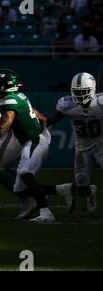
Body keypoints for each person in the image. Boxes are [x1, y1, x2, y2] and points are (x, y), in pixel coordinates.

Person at [0, 69, 56, 222]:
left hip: (32, 140)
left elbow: (2, 129)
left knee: (24, 174)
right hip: (34, 139)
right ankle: (62, 189)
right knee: (19, 186)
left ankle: (45, 211)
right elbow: (43, 119)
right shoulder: (19, 95)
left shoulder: (8, 101)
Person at [47, 72, 101, 213]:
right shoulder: (67, 105)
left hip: (101, 144)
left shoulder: (100, 103)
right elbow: (52, 119)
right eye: (77, 92)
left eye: (83, 91)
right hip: (82, 147)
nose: (80, 95)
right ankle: (91, 192)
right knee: (82, 186)